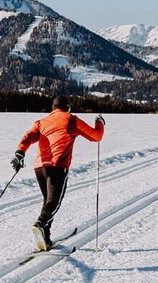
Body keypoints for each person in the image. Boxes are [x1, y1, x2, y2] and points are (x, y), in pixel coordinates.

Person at [12, 96, 105, 250]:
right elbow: (96, 136)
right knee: (54, 202)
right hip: (57, 166)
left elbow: (28, 137)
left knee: (48, 201)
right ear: (67, 107)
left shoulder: (41, 122)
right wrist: (99, 123)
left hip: (39, 167)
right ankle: (41, 224)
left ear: (53, 108)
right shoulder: (70, 119)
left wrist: (20, 152)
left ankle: (45, 236)